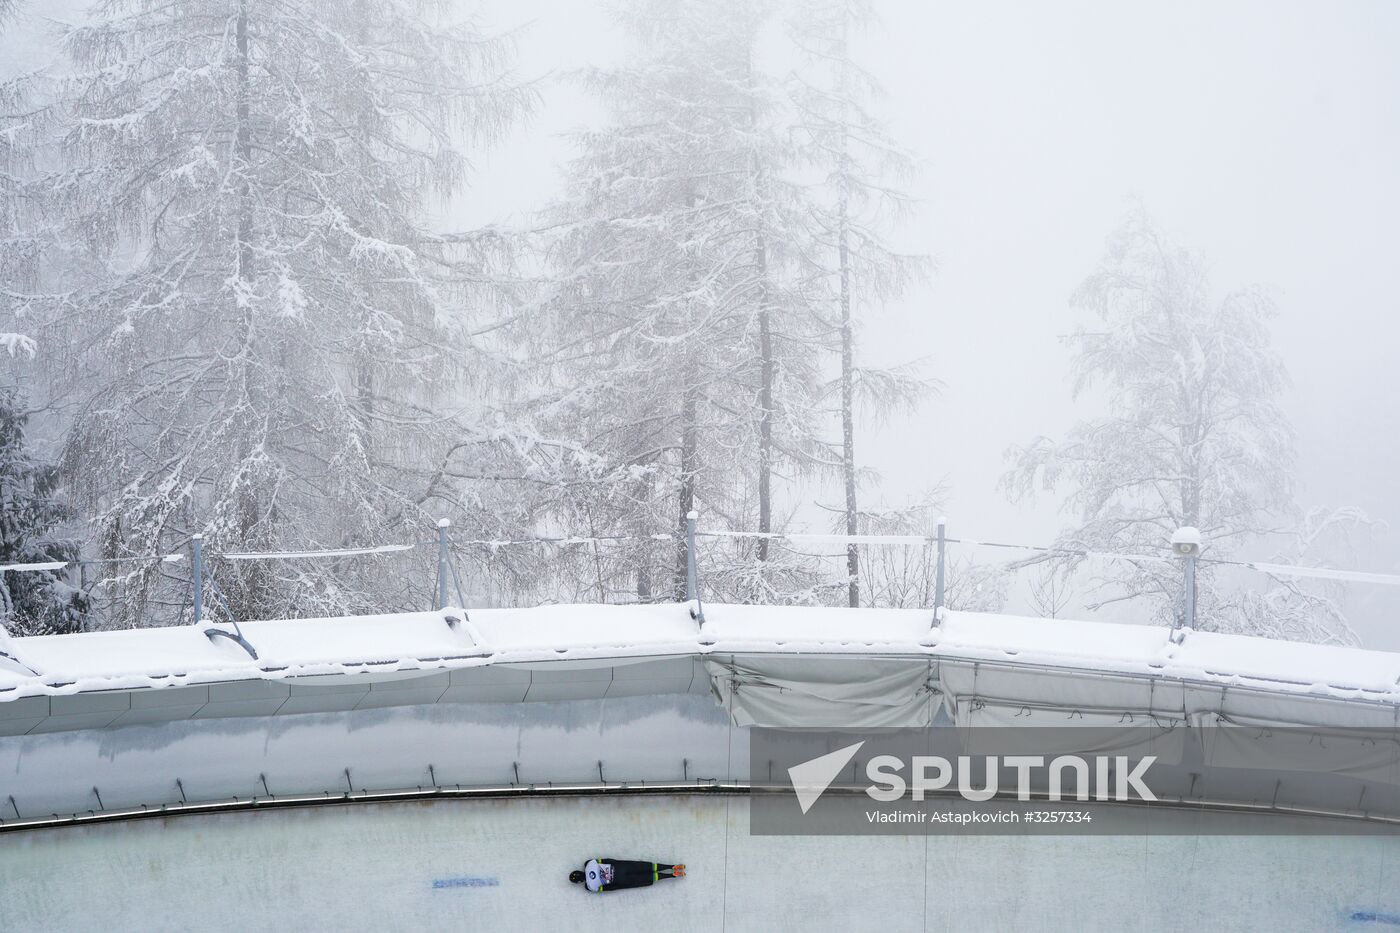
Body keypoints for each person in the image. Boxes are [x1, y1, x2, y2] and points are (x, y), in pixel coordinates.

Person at [568, 857, 685, 893]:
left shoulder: (591, 887)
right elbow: (607, 860)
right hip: (620, 867)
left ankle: (672, 875)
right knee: (646, 867)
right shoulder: (590, 864)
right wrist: (618, 863)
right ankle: (671, 866)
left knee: (645, 878)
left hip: (620, 880)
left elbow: (610, 888)